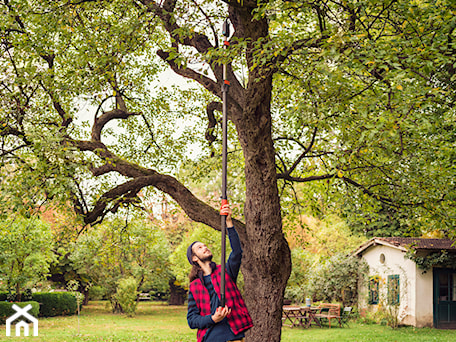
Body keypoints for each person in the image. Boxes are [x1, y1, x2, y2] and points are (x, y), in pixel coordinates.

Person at [186, 203, 253, 342]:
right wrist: (212, 318)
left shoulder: (225, 272)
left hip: (232, 336)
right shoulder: (195, 286)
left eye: (205, 245)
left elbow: (237, 252)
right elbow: (192, 320)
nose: (204, 247)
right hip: (210, 337)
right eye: (199, 248)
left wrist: (229, 222)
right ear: (194, 258)